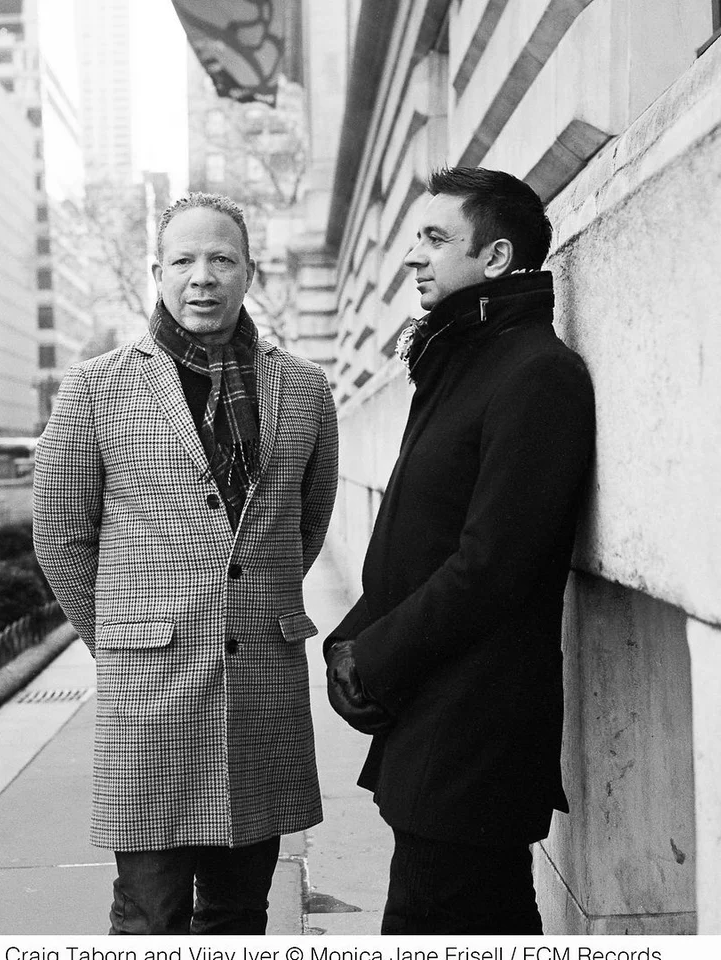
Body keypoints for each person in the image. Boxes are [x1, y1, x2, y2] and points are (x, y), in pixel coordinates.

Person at [33, 193, 338, 935]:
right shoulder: (96, 387)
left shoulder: (303, 389)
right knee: (149, 913)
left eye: (222, 259)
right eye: (184, 260)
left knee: (241, 913)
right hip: (149, 694)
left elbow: (307, 523)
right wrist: (122, 637)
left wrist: (244, 603)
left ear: (249, 272)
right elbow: (61, 538)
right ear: (158, 274)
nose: (203, 276)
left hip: (261, 684)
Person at [325, 167, 595, 934]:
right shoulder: (459, 364)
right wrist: (350, 638)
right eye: (416, 236)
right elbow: (417, 538)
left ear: (497, 258)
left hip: (477, 730)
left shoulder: (537, 376)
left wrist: (374, 657)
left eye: (437, 238)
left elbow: (492, 567)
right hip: (434, 718)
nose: (414, 254)